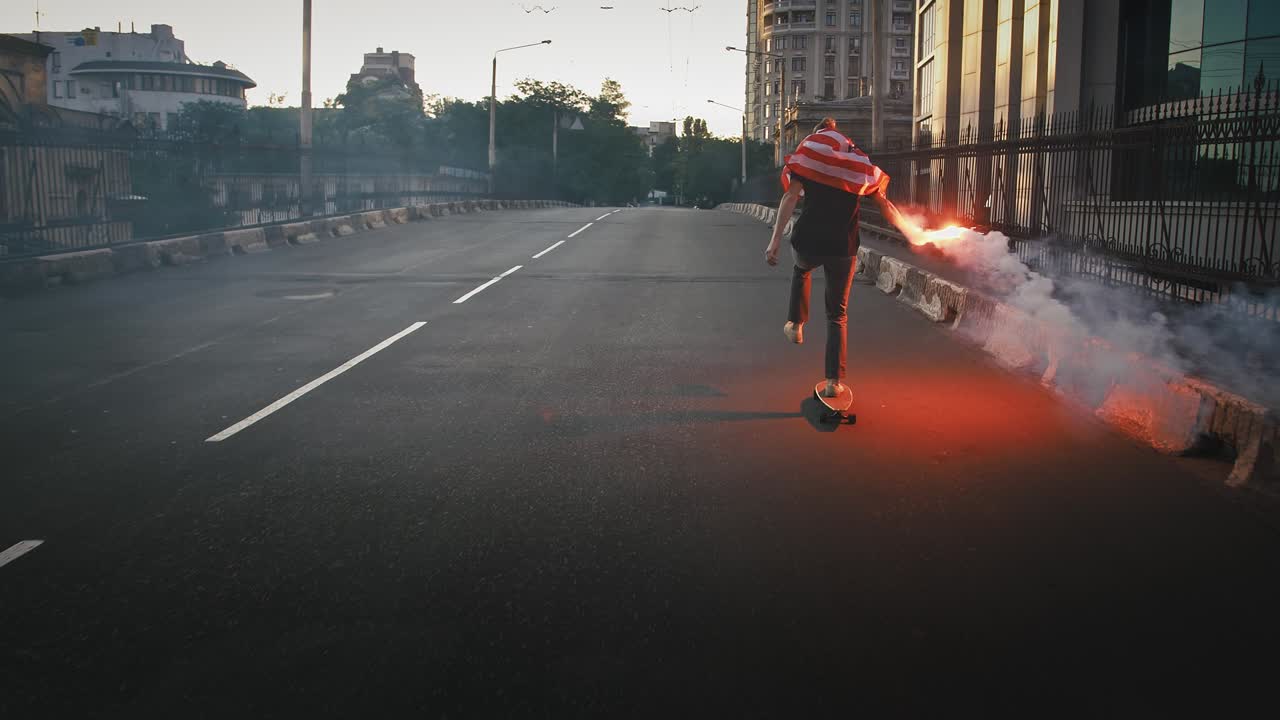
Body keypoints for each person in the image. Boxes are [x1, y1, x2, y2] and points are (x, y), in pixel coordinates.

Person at [764, 118, 890, 398]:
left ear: (815, 136)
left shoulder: (809, 158)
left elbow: (790, 198)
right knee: (837, 315)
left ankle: (796, 324)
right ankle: (834, 382)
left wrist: (774, 241)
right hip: (843, 247)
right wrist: (912, 231)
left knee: (801, 269)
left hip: (808, 240)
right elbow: (884, 203)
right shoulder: (858, 166)